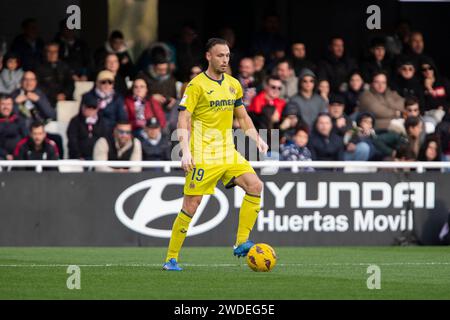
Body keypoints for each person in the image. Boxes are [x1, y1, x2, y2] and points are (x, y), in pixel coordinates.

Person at [163, 38, 269, 271]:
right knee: (192, 204)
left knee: (255, 186)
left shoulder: (233, 84)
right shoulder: (196, 85)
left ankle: (241, 242)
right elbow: (183, 118)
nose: (224, 60)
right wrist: (185, 151)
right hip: (202, 154)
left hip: (227, 152)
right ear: (208, 56)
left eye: (227, 55)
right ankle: (171, 258)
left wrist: (257, 138)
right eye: (220, 55)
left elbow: (242, 117)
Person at [67, 95, 108, 160]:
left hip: (98, 158)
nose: (91, 110)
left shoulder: (102, 122)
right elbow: (72, 141)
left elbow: (105, 139)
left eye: (94, 108)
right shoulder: (75, 121)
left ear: (97, 109)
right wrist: (78, 156)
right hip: (79, 158)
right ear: (83, 107)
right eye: (89, 107)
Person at [0, 94, 28, 160]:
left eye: (8, 104)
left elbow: (26, 138)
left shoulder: (19, 120)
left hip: (19, 155)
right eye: (2, 104)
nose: (6, 107)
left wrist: (18, 153)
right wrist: (5, 155)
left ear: (12, 106)